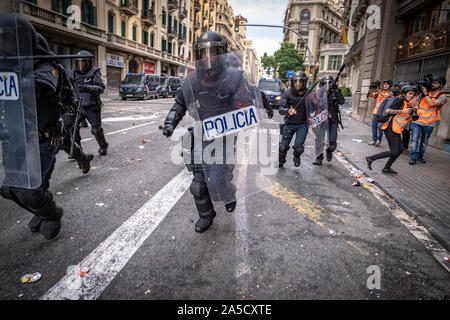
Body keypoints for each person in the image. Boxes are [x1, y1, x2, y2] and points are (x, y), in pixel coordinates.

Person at [161, 31, 253, 233]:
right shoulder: (192, 79)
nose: (208, 58)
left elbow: (245, 104)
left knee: (219, 180)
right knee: (199, 185)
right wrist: (170, 122)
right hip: (202, 134)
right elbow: (179, 104)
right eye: (204, 54)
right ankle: (206, 215)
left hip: (225, 137)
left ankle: (228, 193)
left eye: (213, 53)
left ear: (221, 54)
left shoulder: (234, 77)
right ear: (198, 56)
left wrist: (245, 112)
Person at [0, 14, 64, 239]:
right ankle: (41, 207)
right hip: (16, 136)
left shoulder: (46, 65)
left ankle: (52, 214)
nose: (3, 44)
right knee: (9, 188)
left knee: (30, 191)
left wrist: (21, 78)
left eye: (7, 38)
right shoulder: (5, 66)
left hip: (43, 137)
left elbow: (41, 85)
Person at [35, 33, 94, 174]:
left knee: (59, 139)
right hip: (38, 113)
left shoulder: (49, 66)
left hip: (64, 108)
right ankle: (83, 158)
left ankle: (82, 158)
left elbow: (44, 86)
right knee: (63, 141)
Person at [365, 85, 419, 174]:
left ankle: (386, 168)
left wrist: (412, 113)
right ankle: (371, 158)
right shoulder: (399, 100)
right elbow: (388, 111)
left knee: (400, 149)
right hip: (390, 128)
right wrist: (403, 112)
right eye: (410, 93)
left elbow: (405, 118)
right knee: (394, 151)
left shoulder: (407, 103)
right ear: (404, 94)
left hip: (396, 129)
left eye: (413, 94)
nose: (412, 96)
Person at [71, 50, 108, 156]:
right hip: (78, 106)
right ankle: (77, 150)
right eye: (78, 62)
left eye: (82, 62)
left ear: (87, 63)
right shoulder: (73, 73)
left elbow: (101, 88)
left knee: (96, 130)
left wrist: (87, 88)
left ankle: (103, 145)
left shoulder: (94, 72)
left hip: (92, 106)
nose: (80, 64)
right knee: (73, 129)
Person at [409, 76, 447, 165]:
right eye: (432, 82)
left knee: (424, 141)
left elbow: (432, 104)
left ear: (441, 85)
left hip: (429, 123)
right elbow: (412, 103)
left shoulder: (442, 97)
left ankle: (420, 156)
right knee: (414, 139)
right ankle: (413, 157)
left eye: (436, 83)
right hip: (417, 121)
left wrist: (425, 94)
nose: (433, 84)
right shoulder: (422, 94)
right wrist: (417, 93)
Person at [278, 71, 309, 168]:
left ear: (304, 82)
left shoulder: (310, 93)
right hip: (289, 124)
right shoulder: (287, 93)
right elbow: (280, 108)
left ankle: (296, 156)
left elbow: (318, 105)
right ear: (292, 82)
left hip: (302, 124)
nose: (298, 84)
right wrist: (287, 111)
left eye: (300, 82)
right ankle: (281, 160)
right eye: (295, 82)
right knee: (283, 147)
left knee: (299, 148)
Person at [312, 75, 345, 165]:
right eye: (325, 84)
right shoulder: (318, 94)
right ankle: (319, 158)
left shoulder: (335, 92)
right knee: (319, 140)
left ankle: (329, 151)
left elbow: (342, 101)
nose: (327, 86)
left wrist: (336, 90)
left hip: (332, 120)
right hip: (321, 121)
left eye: (329, 83)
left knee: (332, 145)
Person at [369, 80, 393, 146]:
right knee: (374, 127)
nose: (385, 85)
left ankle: (379, 141)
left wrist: (379, 90)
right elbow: (372, 96)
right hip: (375, 112)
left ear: (390, 85)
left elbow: (386, 96)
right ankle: (374, 140)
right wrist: (370, 90)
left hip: (383, 113)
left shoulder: (391, 93)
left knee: (380, 127)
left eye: (387, 84)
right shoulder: (380, 92)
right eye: (384, 84)